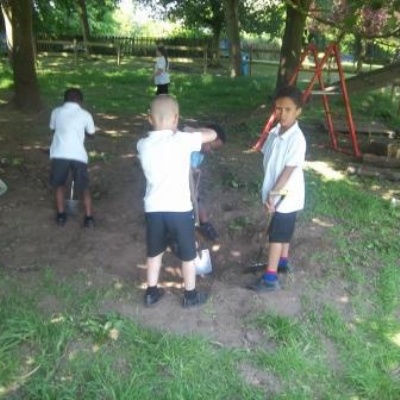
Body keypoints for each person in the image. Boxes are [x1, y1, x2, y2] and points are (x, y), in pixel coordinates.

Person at [137, 94, 217, 308]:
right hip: (179, 210)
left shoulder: (142, 145)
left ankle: (151, 293)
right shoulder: (183, 140)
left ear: (150, 119)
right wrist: (190, 130)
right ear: (176, 118)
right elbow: (212, 134)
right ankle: (190, 296)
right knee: (188, 254)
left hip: (153, 209)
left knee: (154, 253)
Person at [247, 85, 306, 292]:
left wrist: (273, 195)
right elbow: (268, 158)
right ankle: (283, 262)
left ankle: (270, 279)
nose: (282, 114)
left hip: (285, 196)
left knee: (277, 235)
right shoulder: (274, 132)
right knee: (283, 230)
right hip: (275, 192)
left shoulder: (297, 140)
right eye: (279, 108)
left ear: (298, 111)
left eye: (288, 109)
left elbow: (288, 171)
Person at [49, 87, 96, 228]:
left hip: (59, 154)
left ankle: (61, 215)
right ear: (80, 101)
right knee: (84, 187)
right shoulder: (85, 115)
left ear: (64, 100)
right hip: (78, 155)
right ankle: (89, 218)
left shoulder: (56, 112)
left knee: (59, 185)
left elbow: (53, 128)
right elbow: (91, 134)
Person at [186, 123, 226, 240]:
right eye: (211, 147)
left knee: (197, 199)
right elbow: (186, 128)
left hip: (189, 183)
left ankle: (205, 224)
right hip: (176, 184)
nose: (211, 152)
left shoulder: (201, 154)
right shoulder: (188, 145)